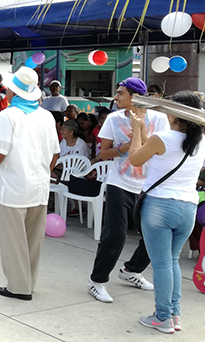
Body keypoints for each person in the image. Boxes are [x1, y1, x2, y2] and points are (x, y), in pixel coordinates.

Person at [0, 67, 60, 301]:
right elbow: (55, 154)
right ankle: (28, 283)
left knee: (14, 241)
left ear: (13, 92)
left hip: (13, 188)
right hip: (40, 187)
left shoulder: (8, 115)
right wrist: (43, 172)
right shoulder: (46, 116)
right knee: (33, 240)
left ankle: (18, 287)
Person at [86, 77, 170, 303]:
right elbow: (103, 153)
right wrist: (126, 146)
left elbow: (161, 152)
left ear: (135, 97)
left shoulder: (159, 119)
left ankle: (132, 270)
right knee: (115, 235)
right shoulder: (113, 119)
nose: (116, 97)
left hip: (149, 186)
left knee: (156, 236)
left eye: (120, 93)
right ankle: (97, 281)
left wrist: (140, 136)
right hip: (119, 183)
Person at [127, 91, 205, 333]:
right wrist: (142, 130)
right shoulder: (200, 140)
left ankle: (162, 317)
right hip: (188, 207)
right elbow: (161, 148)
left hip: (159, 206)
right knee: (171, 261)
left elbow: (135, 159)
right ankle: (174, 315)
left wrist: (136, 131)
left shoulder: (162, 138)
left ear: (173, 113)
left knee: (161, 264)